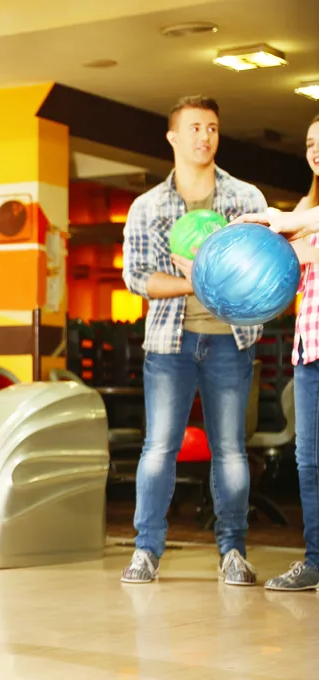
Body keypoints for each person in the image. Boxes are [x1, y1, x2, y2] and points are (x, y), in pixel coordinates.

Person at [120, 95, 270, 586]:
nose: (204, 136)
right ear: (173, 138)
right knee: (159, 448)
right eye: (194, 128)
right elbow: (138, 277)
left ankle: (233, 553)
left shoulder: (246, 198)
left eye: (212, 127)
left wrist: (221, 278)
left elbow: (263, 266)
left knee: (230, 450)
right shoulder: (147, 207)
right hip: (169, 344)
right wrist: (196, 281)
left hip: (231, 339)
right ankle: (146, 551)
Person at [233, 114, 319, 591]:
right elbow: (299, 267)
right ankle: (316, 561)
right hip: (310, 350)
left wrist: (287, 223)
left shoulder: (306, 214)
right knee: (309, 460)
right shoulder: (310, 204)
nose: (315, 150)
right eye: (309, 143)